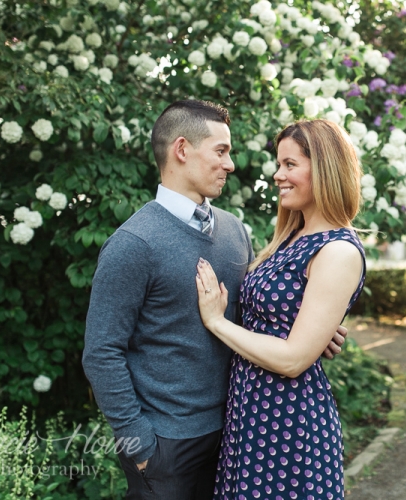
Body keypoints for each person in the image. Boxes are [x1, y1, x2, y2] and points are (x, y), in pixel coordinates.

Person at [82, 100, 347, 500]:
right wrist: (139, 447)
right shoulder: (133, 244)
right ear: (182, 150)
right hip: (167, 445)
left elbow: (248, 314)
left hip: (240, 433)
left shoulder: (234, 231)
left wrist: (308, 331)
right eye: (221, 151)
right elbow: (101, 353)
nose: (231, 164)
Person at [195, 119, 366, 500]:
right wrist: (314, 332)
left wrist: (215, 322)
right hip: (252, 415)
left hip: (288, 425)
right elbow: (281, 320)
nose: (278, 175)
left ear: (323, 169)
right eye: (279, 164)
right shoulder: (292, 236)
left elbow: (292, 360)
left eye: (290, 165)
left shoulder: (337, 250)